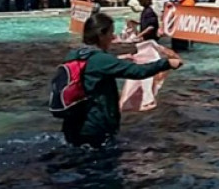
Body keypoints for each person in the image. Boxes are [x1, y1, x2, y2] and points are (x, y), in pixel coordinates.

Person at [60, 12, 182, 147]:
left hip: (72, 125)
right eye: (111, 33)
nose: (113, 37)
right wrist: (167, 63)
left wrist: (117, 60)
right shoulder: (101, 60)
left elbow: (91, 69)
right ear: (101, 35)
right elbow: (138, 72)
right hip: (96, 128)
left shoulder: (74, 54)